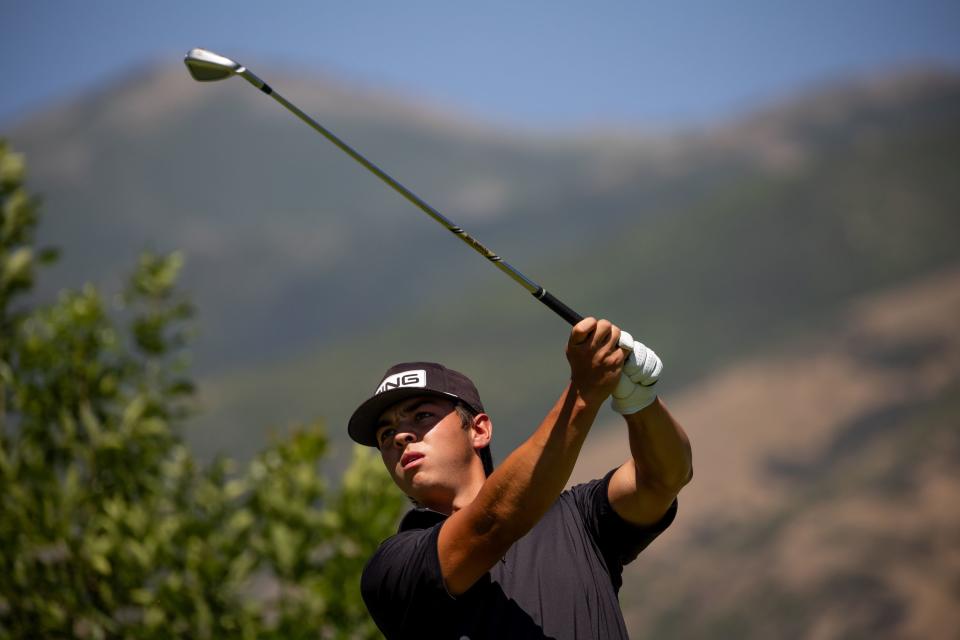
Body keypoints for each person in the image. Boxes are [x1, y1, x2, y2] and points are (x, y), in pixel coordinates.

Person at [347, 317, 692, 639]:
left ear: (478, 430)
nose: (400, 437)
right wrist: (584, 393)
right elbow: (492, 523)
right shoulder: (393, 567)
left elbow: (662, 478)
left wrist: (639, 400)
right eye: (386, 434)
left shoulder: (578, 515)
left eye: (421, 416)